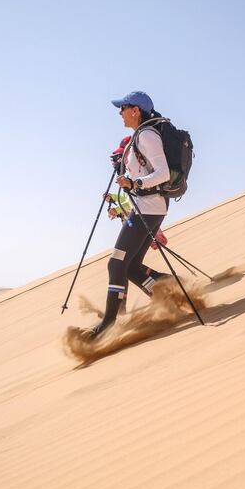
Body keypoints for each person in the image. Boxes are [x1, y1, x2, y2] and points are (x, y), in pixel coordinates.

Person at [83, 91, 171, 339]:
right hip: (148, 209)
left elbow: (162, 173)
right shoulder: (139, 137)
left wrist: (135, 184)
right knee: (130, 267)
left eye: (122, 108)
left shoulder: (146, 135)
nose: (119, 112)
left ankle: (110, 321)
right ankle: (168, 292)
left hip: (148, 209)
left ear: (136, 110)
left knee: (116, 263)